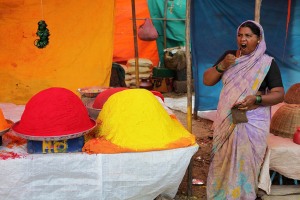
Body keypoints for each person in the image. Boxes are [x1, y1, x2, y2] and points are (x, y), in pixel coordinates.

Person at [203, 20, 285, 199]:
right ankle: (221, 194)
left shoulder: (267, 63)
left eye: (248, 35)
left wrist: (257, 98)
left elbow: (279, 94)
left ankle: (243, 195)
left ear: (259, 39)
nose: (243, 39)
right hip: (227, 119)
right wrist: (222, 66)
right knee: (222, 159)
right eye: (240, 35)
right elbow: (207, 80)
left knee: (246, 162)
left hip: (252, 121)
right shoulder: (229, 57)